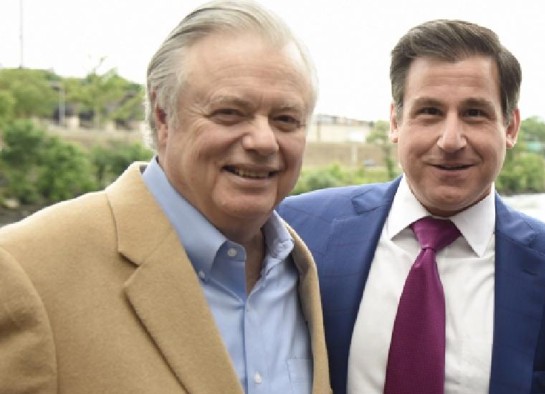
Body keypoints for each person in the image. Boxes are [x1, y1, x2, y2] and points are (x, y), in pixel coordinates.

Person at [0, 1, 331, 392]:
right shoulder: (25, 270)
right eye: (229, 112)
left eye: (286, 119)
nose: (263, 141)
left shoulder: (303, 272)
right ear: (162, 115)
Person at [277, 19, 545, 394]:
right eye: (429, 111)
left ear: (510, 127)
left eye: (474, 113)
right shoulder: (298, 231)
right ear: (396, 121)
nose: (450, 140)